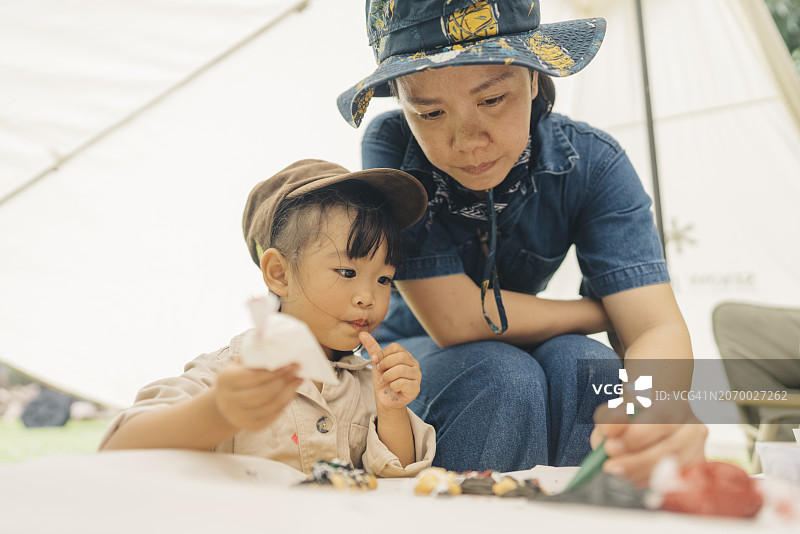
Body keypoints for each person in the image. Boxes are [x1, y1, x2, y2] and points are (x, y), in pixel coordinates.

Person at [337, 0, 707, 485]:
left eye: (491, 101)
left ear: (534, 77)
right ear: (402, 106)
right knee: (500, 376)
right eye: (428, 112)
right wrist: (601, 312)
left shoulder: (593, 163)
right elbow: (457, 322)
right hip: (406, 355)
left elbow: (655, 325)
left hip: (529, 345)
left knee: (588, 366)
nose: (467, 140)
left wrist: (657, 408)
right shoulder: (391, 150)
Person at [100, 159, 436, 478]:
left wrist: (391, 411)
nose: (369, 297)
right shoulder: (232, 374)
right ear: (279, 274)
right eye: (347, 271)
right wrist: (217, 411)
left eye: (384, 279)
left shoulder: (366, 385)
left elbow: (396, 478)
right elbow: (118, 449)